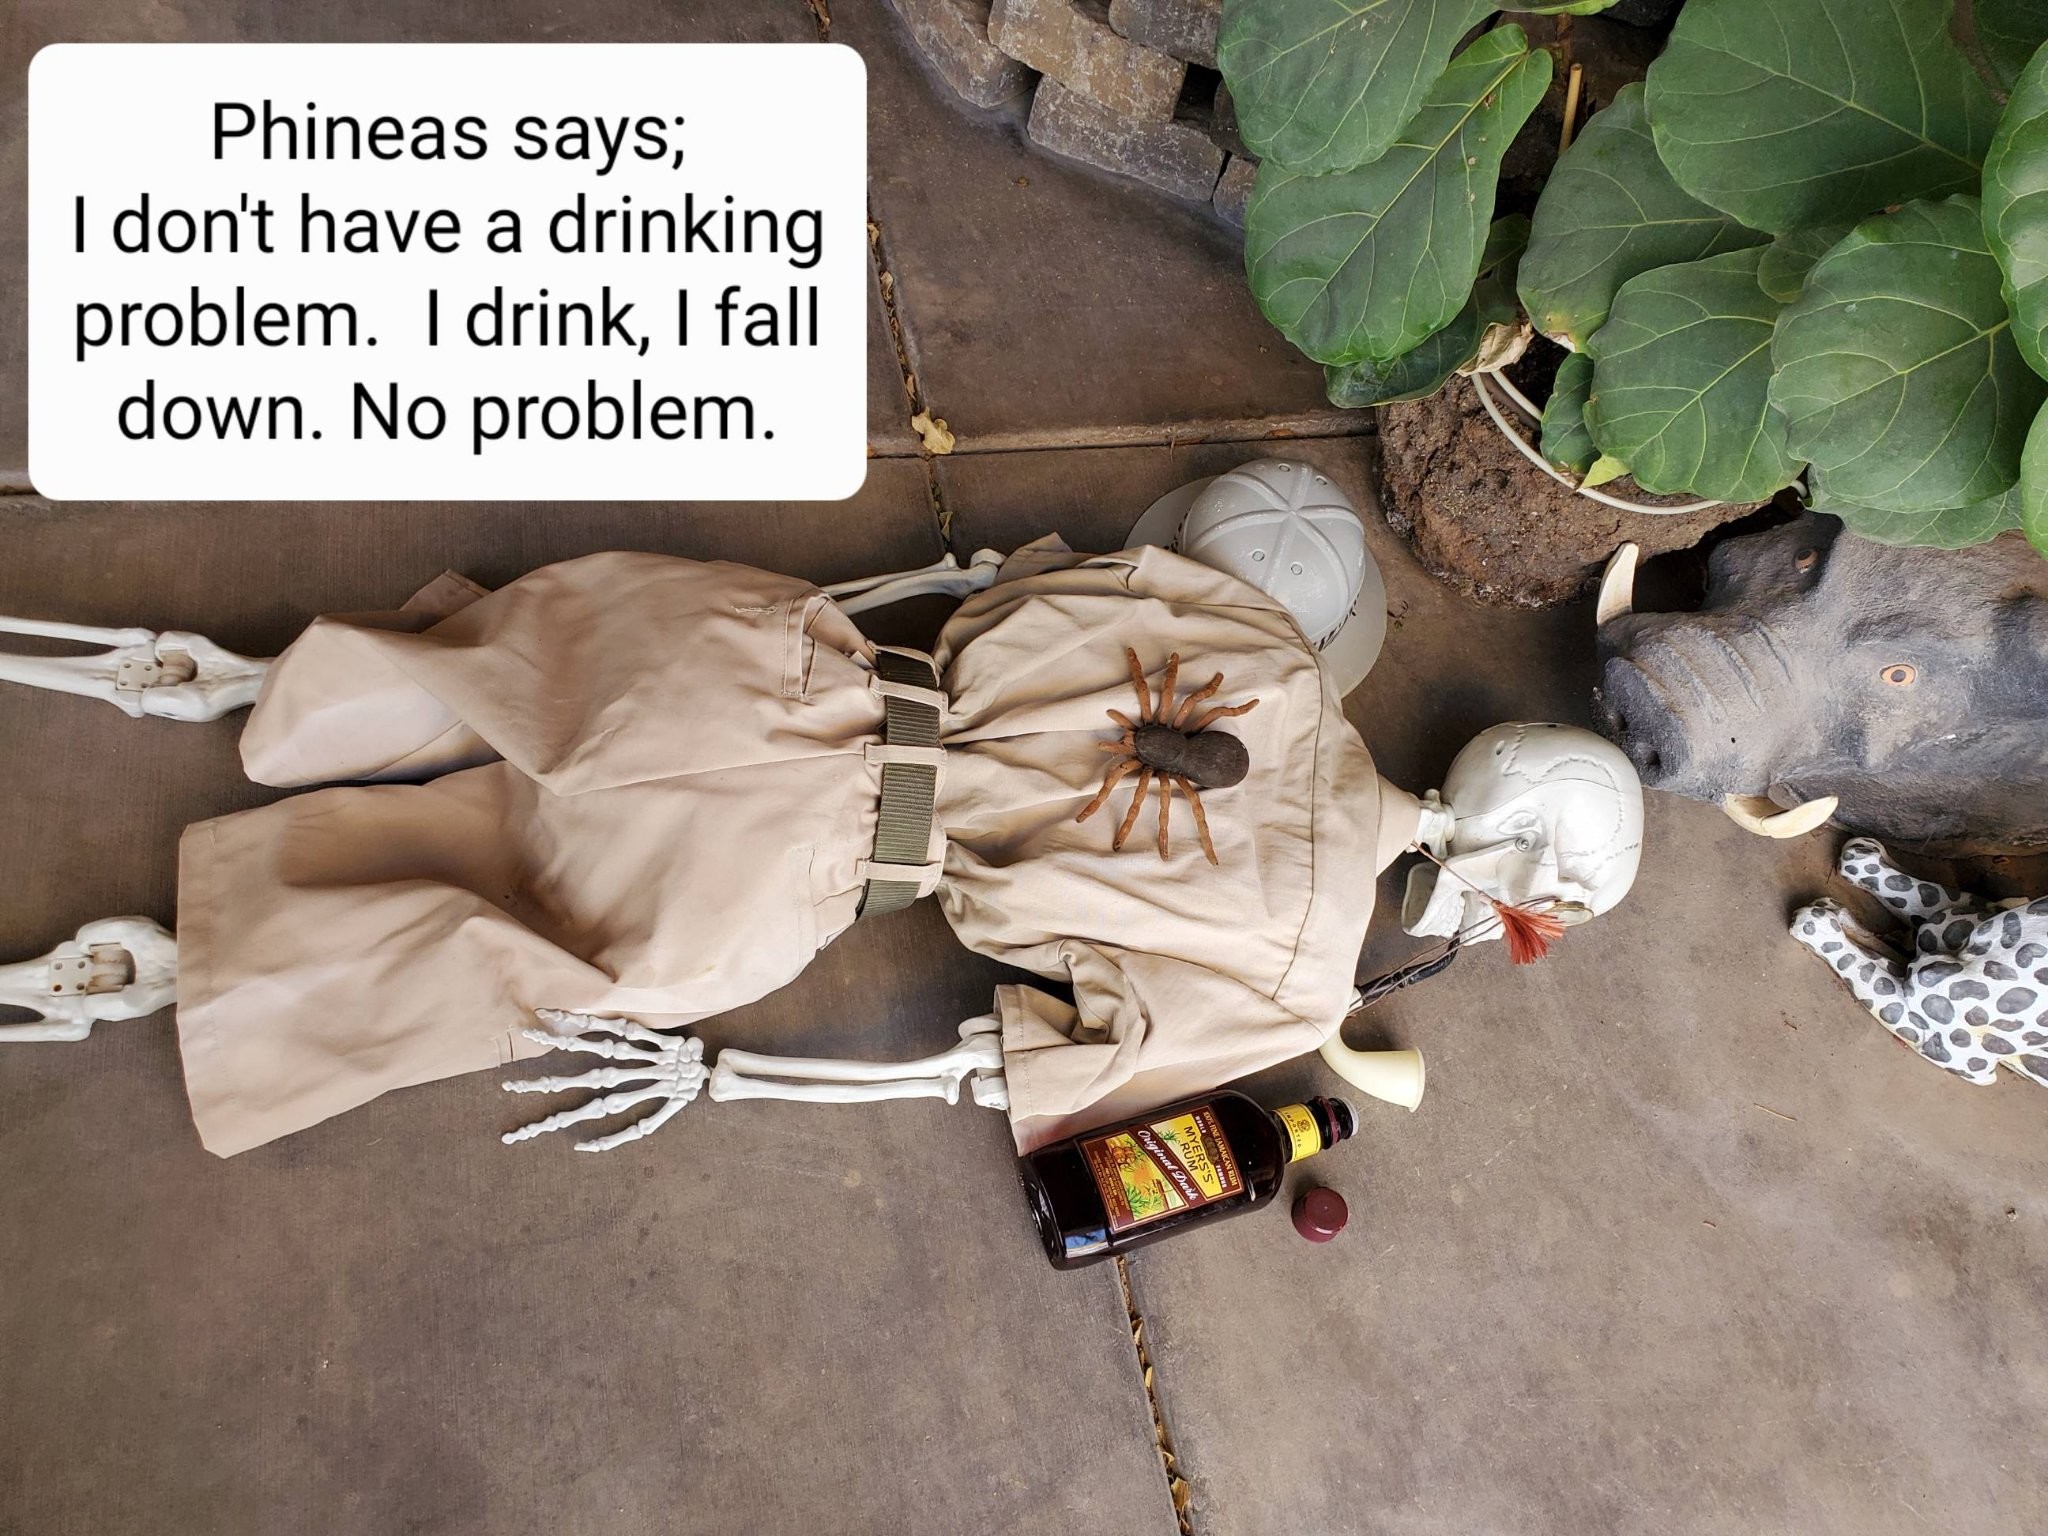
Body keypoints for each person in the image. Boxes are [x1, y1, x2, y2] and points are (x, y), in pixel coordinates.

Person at [0, 516, 1644, 1158]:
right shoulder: (1294, 985)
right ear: (1515, 896)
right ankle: (150, 973)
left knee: (463, 681)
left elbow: (991, 592)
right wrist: (723, 1075)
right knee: (472, 937)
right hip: (782, 889)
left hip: (782, 668)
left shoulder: (1279, 658)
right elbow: (994, 1066)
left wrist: (830, 617)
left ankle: (217, 682)